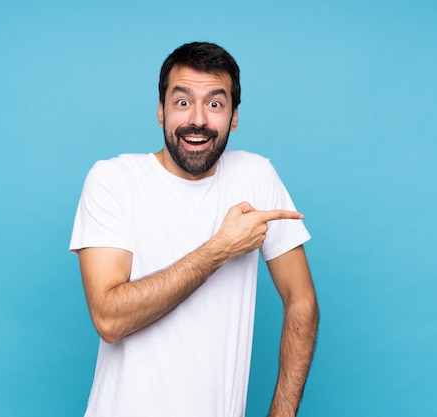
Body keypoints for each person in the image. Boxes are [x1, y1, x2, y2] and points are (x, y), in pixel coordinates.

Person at [70, 41, 319, 417]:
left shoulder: (256, 176)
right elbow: (109, 318)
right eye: (182, 102)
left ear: (234, 116)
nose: (198, 119)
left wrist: (282, 413)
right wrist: (220, 248)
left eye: (215, 104)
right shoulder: (114, 180)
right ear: (160, 112)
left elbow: (301, 301)